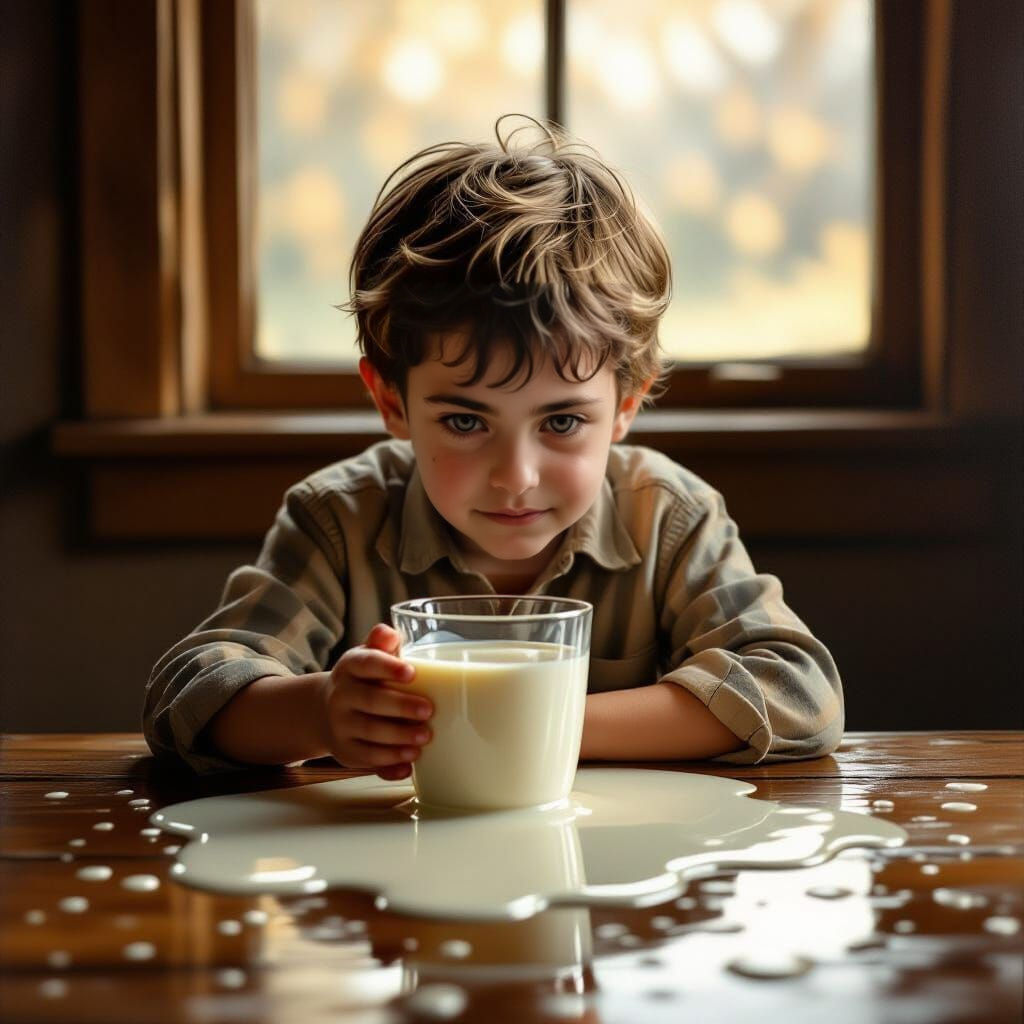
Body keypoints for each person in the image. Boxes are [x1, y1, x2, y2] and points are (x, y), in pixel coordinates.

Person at [144, 115, 843, 778]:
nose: (516, 477)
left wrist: (542, 723)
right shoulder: (339, 523)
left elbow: (796, 690)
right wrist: (319, 712)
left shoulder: (669, 519)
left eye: (562, 422)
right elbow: (189, 693)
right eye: (466, 422)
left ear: (626, 404)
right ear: (393, 402)